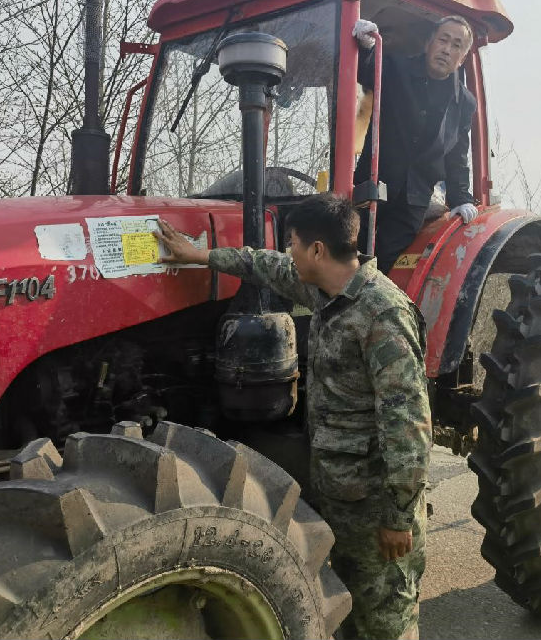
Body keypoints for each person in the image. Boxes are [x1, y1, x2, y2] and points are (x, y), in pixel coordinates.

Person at [154, 194, 432, 640]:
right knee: (350, 613)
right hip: (341, 494)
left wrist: (398, 518)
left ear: (317, 250)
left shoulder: (382, 314)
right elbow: (264, 265)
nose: (289, 253)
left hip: (376, 509)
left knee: (386, 621)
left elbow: (409, 425)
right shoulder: (325, 291)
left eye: (293, 244)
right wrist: (201, 255)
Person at [353, 15, 479, 273]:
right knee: (350, 254)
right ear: (429, 43)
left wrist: (461, 198)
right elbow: (365, 71)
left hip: (413, 200)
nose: (447, 49)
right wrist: (365, 47)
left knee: (385, 264)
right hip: (373, 185)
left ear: (462, 58)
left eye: (456, 45)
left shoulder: (464, 102)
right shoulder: (395, 69)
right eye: (443, 40)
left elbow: (457, 154)